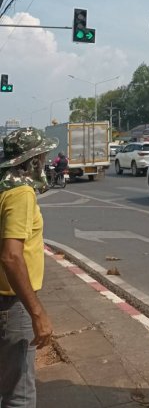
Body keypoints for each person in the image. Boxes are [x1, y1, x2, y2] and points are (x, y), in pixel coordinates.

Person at [0, 127, 58, 407]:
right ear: (32, 160)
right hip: (12, 304)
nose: (45, 161)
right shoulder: (20, 192)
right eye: (42, 156)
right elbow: (11, 256)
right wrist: (37, 312)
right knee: (19, 394)